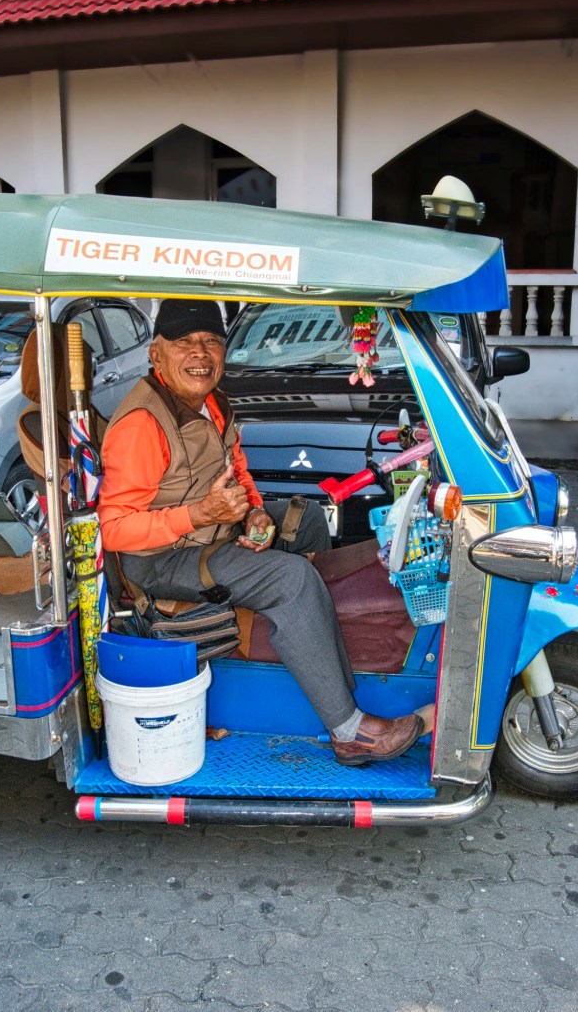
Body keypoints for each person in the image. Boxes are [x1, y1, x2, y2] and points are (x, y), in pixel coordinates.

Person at [97, 299, 433, 766]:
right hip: (159, 559)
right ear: (157, 354)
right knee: (290, 577)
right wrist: (199, 514)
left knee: (306, 518)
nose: (201, 354)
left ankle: (300, 669)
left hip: (213, 532)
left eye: (211, 341)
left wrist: (255, 513)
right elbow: (113, 531)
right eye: (185, 343)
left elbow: (237, 469)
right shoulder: (141, 426)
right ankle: (349, 731)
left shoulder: (210, 402)